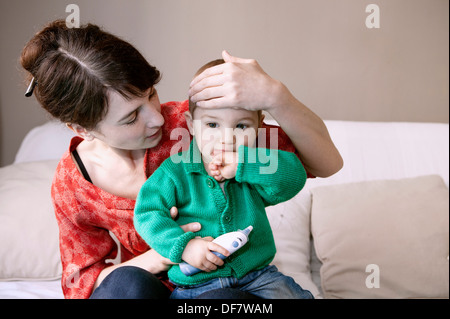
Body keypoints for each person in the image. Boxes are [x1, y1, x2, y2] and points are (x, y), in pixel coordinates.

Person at [20, 20, 343, 299]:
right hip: (152, 286)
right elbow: (82, 282)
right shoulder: (72, 185)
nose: (156, 119)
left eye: (151, 94)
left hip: (223, 284)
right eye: (132, 117)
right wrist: (168, 252)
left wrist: (275, 96)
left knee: (223, 297)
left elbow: (323, 164)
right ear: (82, 128)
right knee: (126, 285)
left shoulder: (198, 125)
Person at [133, 59, 314, 299]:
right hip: (194, 285)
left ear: (259, 127)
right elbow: (147, 214)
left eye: (241, 126)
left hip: (258, 277)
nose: (226, 138)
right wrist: (184, 246)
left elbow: (294, 178)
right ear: (191, 125)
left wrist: (245, 165)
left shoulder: (255, 164)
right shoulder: (175, 170)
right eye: (212, 124)